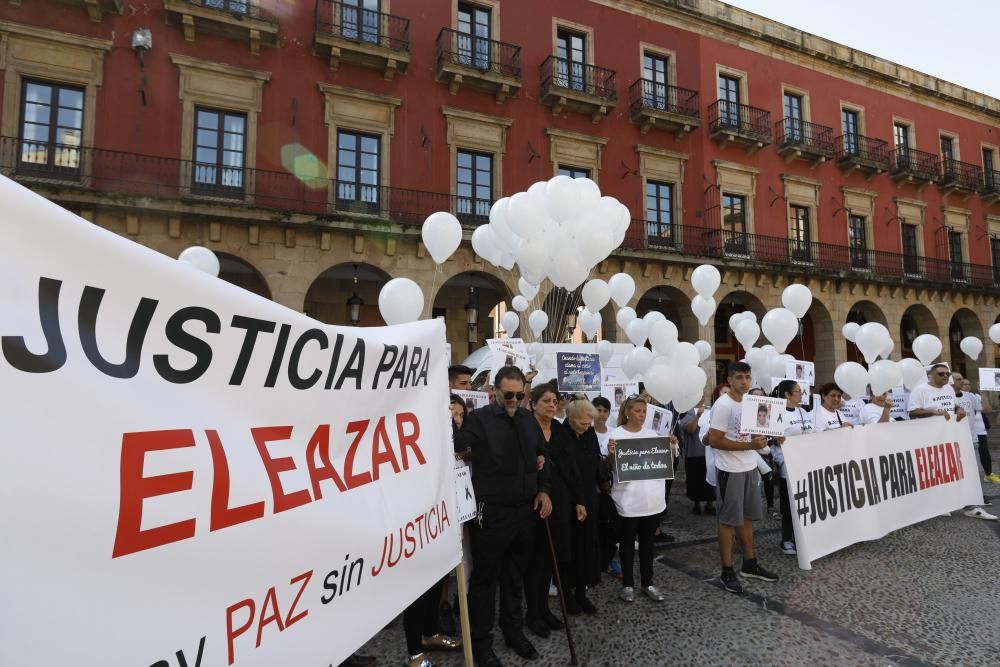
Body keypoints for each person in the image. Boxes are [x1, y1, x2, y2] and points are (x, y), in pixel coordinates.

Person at [453, 366, 553, 667]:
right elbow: (457, 449)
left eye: (519, 394)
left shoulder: (526, 418)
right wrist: (455, 425)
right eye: (508, 394)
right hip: (492, 513)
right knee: (485, 580)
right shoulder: (479, 420)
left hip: (525, 512)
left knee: (515, 577)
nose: (513, 399)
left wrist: (544, 490)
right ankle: (482, 644)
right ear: (494, 391)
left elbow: (544, 456)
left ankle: (514, 632)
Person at [707, 361, 779, 594]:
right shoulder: (723, 405)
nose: (744, 382)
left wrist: (774, 436)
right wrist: (749, 444)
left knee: (747, 518)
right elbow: (715, 440)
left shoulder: (751, 402)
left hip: (749, 466)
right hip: (730, 469)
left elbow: (757, 432)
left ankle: (750, 562)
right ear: (729, 379)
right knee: (728, 521)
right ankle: (727, 570)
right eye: (739, 377)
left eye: (748, 377)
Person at [524, 383, 584, 639]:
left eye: (554, 400)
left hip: (559, 501)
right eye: (546, 400)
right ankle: (533, 614)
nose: (551, 404)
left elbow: (572, 468)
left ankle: (545, 611)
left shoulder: (560, 430)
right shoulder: (526, 428)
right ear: (533, 403)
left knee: (550, 559)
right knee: (535, 561)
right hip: (533, 502)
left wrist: (579, 500)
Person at [607, 395, 678, 603]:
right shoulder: (616, 434)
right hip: (628, 501)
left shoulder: (652, 434)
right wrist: (612, 453)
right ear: (627, 412)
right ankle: (627, 584)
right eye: (638, 411)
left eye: (644, 412)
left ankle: (648, 583)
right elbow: (611, 465)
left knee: (648, 545)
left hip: (652, 501)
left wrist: (671, 448)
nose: (641, 415)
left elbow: (665, 464)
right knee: (627, 545)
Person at [908, 364, 995, 521]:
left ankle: (970, 506)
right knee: (936, 473)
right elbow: (912, 412)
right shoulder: (920, 390)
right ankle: (939, 504)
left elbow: (954, 405)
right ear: (931, 375)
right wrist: (933, 411)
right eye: (941, 374)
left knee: (961, 469)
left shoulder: (948, 389)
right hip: (930, 440)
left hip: (952, 436)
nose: (945, 376)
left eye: (947, 374)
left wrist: (959, 410)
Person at [563, 399, 605, 614]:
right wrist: (577, 499)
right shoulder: (562, 435)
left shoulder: (589, 433)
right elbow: (566, 471)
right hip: (569, 499)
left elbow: (596, 463)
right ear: (570, 419)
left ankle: (581, 591)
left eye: (590, 422)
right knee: (571, 548)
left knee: (587, 546)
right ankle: (567, 593)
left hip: (589, 497)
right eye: (582, 422)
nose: (587, 426)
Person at [770, 380, 813, 555]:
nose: (801, 395)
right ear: (787, 394)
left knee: (804, 502)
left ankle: (801, 537)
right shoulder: (776, 413)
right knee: (789, 504)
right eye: (798, 392)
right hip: (787, 463)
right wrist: (776, 439)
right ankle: (787, 539)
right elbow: (768, 439)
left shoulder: (803, 412)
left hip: (804, 461)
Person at [591, 396, 621, 577]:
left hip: (612, 486)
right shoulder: (587, 431)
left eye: (605, 411)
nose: (601, 414)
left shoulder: (614, 432)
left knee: (612, 525)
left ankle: (609, 558)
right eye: (598, 410)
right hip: (594, 488)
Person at [961, 379, 1000, 483]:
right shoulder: (957, 398)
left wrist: (983, 394)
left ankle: (988, 474)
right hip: (966, 431)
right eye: (964, 384)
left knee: (985, 453)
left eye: (969, 384)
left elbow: (988, 411)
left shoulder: (976, 396)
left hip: (980, 430)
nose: (967, 386)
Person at [680, 402, 716, 515]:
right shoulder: (688, 412)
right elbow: (690, 429)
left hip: (709, 452)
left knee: (709, 479)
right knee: (695, 479)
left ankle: (710, 504)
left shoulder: (711, 410)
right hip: (694, 453)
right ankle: (696, 504)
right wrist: (698, 416)